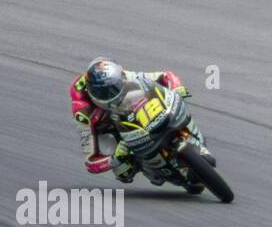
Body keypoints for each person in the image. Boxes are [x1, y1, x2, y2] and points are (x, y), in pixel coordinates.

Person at [69, 57, 209, 186]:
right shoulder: (83, 113)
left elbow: (165, 76)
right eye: (107, 93)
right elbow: (90, 163)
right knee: (123, 172)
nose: (115, 93)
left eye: (117, 86)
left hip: (129, 108)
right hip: (107, 124)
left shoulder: (124, 76)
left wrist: (176, 88)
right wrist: (115, 158)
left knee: (157, 98)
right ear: (93, 93)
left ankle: (193, 137)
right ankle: (143, 166)